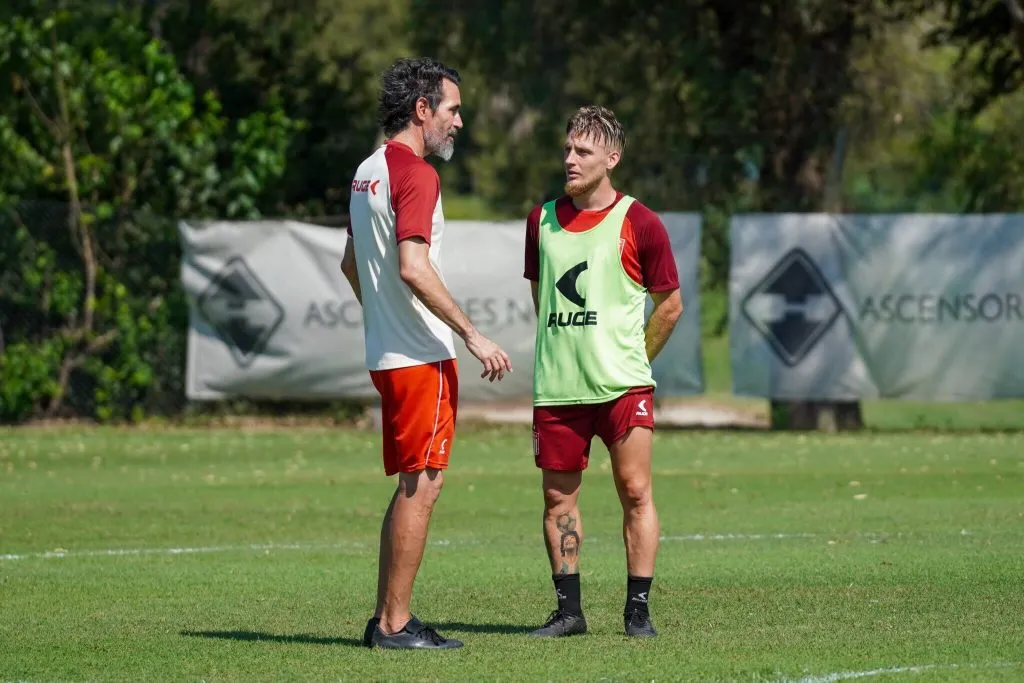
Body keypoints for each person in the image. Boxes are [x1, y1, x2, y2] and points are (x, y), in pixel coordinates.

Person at [340, 57, 512, 650]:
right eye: (454, 109)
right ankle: (393, 624)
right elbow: (414, 268)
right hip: (420, 357)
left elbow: (349, 264)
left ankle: (386, 617)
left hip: (390, 353)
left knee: (412, 482)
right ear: (422, 110)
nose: (459, 122)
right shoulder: (417, 173)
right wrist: (472, 333)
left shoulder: (366, 170)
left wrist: (383, 320)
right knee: (423, 484)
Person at [523, 105, 683, 639]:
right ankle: (569, 613)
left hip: (622, 388)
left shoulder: (640, 222)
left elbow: (670, 304)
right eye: (567, 149)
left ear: (611, 158)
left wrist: (635, 359)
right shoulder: (540, 220)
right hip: (559, 387)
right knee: (557, 499)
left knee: (635, 491)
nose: (569, 159)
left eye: (582, 152)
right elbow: (539, 295)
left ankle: (637, 612)